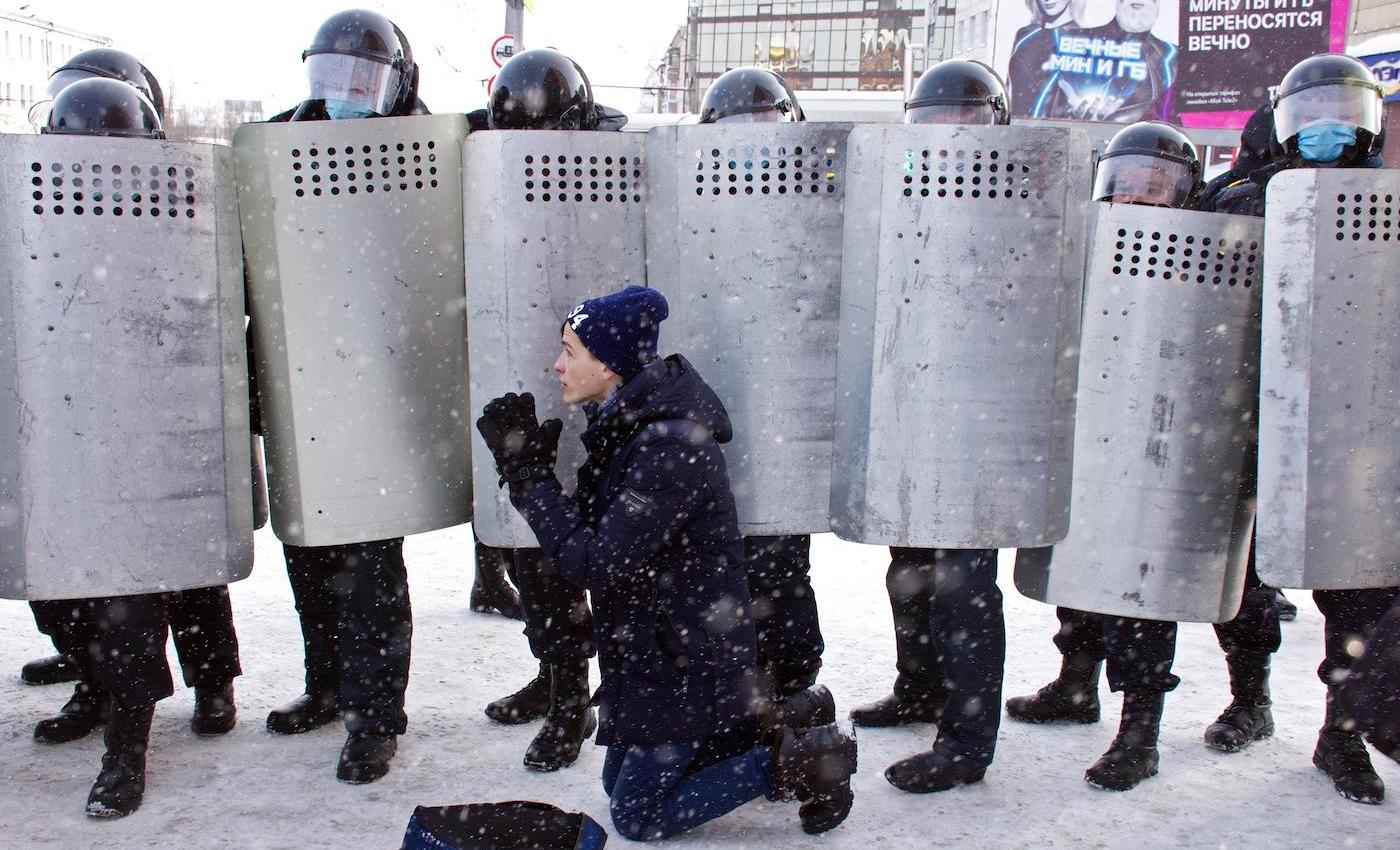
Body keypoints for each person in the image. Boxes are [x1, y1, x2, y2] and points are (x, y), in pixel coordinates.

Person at [476, 285, 856, 838]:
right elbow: (590, 533)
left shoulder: (670, 445)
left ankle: (807, 758)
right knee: (616, 784)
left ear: (608, 365)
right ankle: (790, 715)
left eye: (570, 351)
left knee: (638, 815)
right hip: (654, 647)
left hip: (686, 660)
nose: (558, 365)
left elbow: (595, 562)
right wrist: (532, 469)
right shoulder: (623, 421)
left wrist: (530, 482)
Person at [34, 76, 242, 818]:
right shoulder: (34, 210)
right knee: (59, 579)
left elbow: (206, 312)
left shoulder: (176, 205)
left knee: (153, 588)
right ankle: (95, 686)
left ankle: (135, 735)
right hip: (64, 429)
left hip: (156, 436)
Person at [1200, 52, 1398, 805]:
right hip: (1243, 417)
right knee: (1243, 579)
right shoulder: (1240, 199)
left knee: (1357, 590)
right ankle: (1249, 699)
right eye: (1310, 117)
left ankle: (1341, 733)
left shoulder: (1387, 198)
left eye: (1342, 116)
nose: (1326, 132)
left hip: (1354, 425)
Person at [1006, 121, 1206, 791]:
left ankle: (1140, 732)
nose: (1138, 200)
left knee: (1140, 594)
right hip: (1088, 435)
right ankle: (1076, 684)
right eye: (1125, 186)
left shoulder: (1201, 249)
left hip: (1160, 444)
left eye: (1157, 188)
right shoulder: (1084, 241)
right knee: (1080, 573)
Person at [257, 9, 423, 785]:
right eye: (331, 77)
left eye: (363, 78)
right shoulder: (284, 137)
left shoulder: (418, 145)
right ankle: (327, 686)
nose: (346, 93)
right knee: (309, 561)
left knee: (369, 570)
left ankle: (375, 717)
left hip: (374, 394)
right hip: (303, 387)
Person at [847, 60, 1008, 796]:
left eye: (965, 122)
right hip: (914, 413)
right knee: (910, 573)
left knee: (965, 588)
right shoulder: (899, 191)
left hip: (981, 426)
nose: (950, 138)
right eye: (934, 123)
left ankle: (967, 741)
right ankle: (918, 688)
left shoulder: (1018, 192)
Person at [469, 48, 630, 773]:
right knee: (531, 557)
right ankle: (555, 680)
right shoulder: (483, 162)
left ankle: (578, 700)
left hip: (596, 389)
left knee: (573, 560)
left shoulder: (616, 159)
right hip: (525, 374)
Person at [696, 66, 826, 703]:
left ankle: (791, 681)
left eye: (765, 132)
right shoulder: (696, 202)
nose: (753, 152)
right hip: (719, 411)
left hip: (784, 422)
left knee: (779, 563)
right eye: (737, 136)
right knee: (722, 569)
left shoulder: (813, 203)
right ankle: (742, 688)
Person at [1024, 0, 1176, 123]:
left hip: (1146, 152)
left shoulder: (1172, 57)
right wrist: (1072, 118)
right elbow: (1040, 114)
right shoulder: (1073, 43)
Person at [1006, 0, 1085, 117]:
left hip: (1054, 130)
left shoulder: (1082, 39)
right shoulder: (1024, 35)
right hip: (1014, 127)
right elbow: (1011, 87)